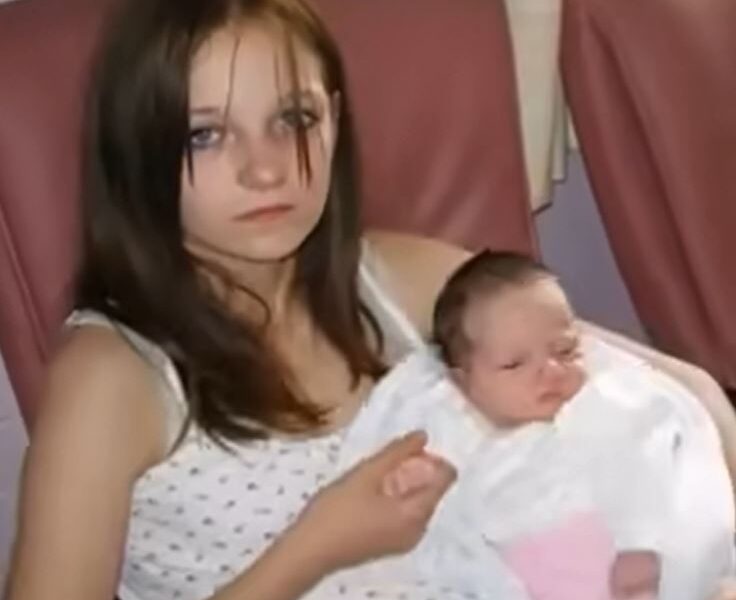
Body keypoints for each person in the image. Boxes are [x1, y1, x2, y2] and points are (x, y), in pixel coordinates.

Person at [4, 0, 736, 599]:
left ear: (333, 119)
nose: (265, 170)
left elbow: (687, 395)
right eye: (205, 135)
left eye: (293, 120)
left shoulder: (398, 283)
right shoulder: (115, 376)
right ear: (139, 150)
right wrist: (316, 547)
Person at [338, 250, 734, 600]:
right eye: (514, 364)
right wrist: (408, 479)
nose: (551, 371)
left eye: (565, 350)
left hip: (638, 560)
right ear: (464, 382)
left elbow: (656, 461)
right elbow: (430, 507)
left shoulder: (601, 404)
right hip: (539, 566)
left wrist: (643, 542)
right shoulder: (457, 427)